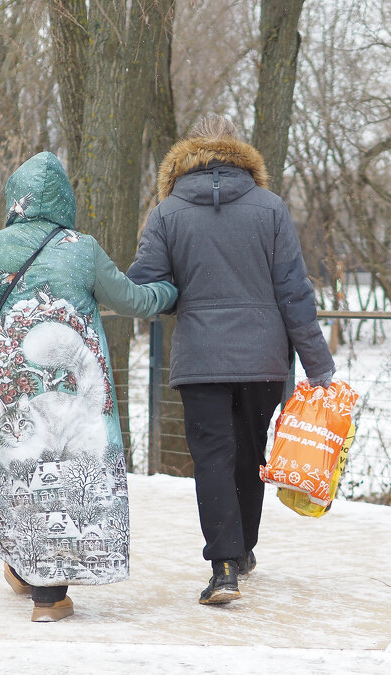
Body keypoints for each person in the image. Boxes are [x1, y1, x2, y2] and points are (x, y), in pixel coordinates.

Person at [0, 151, 178, 622]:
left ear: (16, 198)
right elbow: (132, 300)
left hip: (7, 384)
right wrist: (171, 291)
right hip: (72, 387)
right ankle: (49, 595)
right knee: (66, 477)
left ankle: (26, 569)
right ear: (64, 199)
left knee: (14, 475)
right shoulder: (82, 248)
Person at [127, 114, 335, 605]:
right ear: (240, 153)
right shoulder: (270, 208)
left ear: (185, 155)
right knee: (249, 453)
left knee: (213, 459)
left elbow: (145, 287)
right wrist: (318, 364)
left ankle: (223, 567)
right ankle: (243, 552)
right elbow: (294, 291)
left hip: (200, 359)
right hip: (263, 359)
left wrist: (180, 298)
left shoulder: (167, 213)